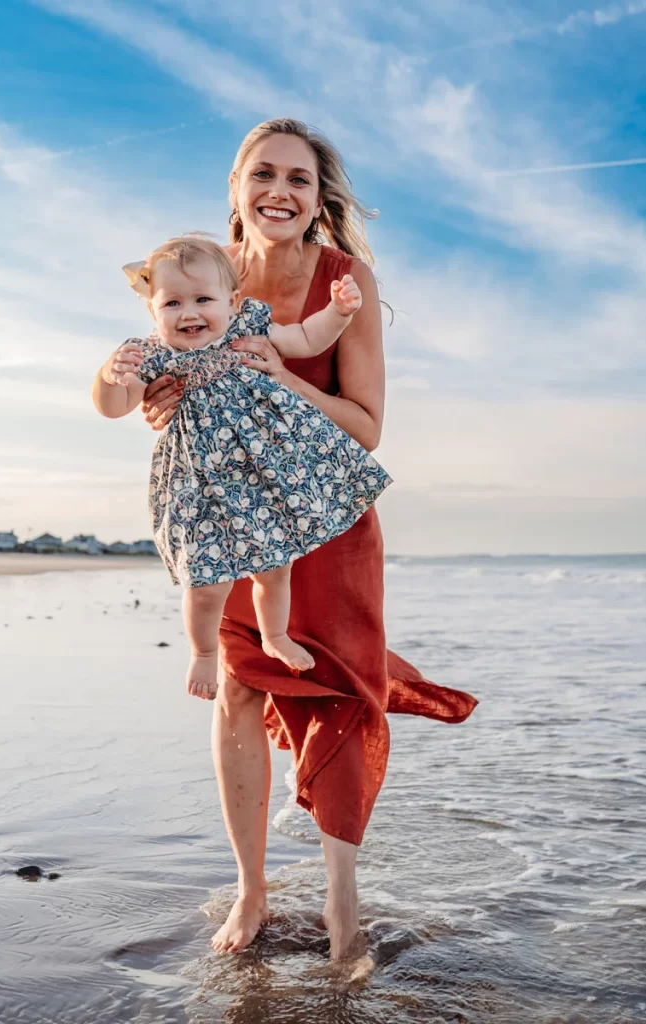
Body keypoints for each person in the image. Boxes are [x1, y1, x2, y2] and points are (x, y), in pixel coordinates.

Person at [134, 118, 478, 960]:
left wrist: (280, 376)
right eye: (263, 174)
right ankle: (251, 895)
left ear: (319, 197)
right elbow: (160, 382)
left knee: (337, 695)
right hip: (232, 521)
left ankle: (340, 900)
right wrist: (158, 401)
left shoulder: (343, 279)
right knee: (238, 692)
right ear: (235, 186)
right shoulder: (200, 276)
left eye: (297, 177)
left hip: (329, 525)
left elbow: (365, 428)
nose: (278, 191)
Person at [93, 233, 391, 697]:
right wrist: (109, 376)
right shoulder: (153, 355)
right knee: (209, 580)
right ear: (153, 310)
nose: (189, 313)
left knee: (275, 568)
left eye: (203, 299)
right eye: (172, 303)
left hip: (262, 475)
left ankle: (275, 636)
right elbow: (115, 406)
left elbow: (308, 338)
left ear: (233, 302)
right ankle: (204, 653)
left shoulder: (245, 328)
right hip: (199, 483)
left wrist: (339, 312)